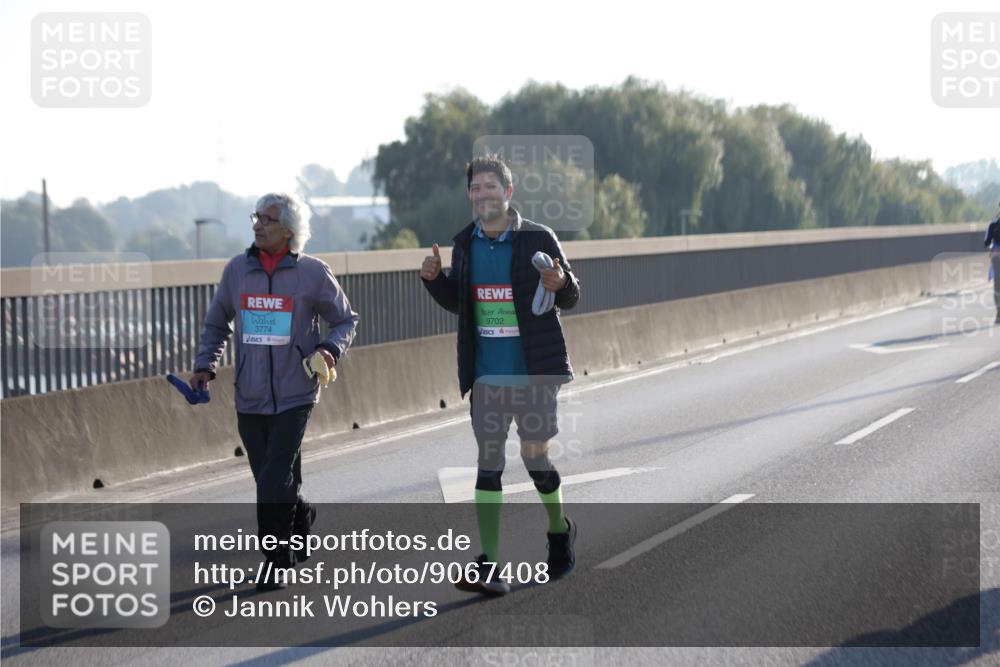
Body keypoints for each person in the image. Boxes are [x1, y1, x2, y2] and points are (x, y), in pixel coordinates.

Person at [421, 154, 581, 595]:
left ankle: (558, 530)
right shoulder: (465, 244)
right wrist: (436, 281)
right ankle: (490, 563)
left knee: (535, 459)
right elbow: (462, 302)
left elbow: (570, 293)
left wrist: (560, 284)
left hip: (533, 374)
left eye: (490, 187)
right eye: (475, 189)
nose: (481, 195)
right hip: (487, 376)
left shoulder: (536, 238)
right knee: (488, 465)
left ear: (507, 193)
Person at [190, 193, 359, 590]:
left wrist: (329, 350)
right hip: (249, 394)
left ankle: (276, 558)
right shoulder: (237, 272)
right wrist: (204, 366)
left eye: (266, 219)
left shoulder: (313, 274)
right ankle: (301, 516)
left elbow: (344, 321)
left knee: (272, 480)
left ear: (289, 230)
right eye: (256, 217)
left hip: (297, 391)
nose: (257, 225)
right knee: (270, 475)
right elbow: (217, 324)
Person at [985, 203, 1000, 325]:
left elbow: (986, 242)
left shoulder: (992, 226)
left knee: (997, 286)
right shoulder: (993, 226)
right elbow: (987, 242)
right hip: (997, 257)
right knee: (997, 286)